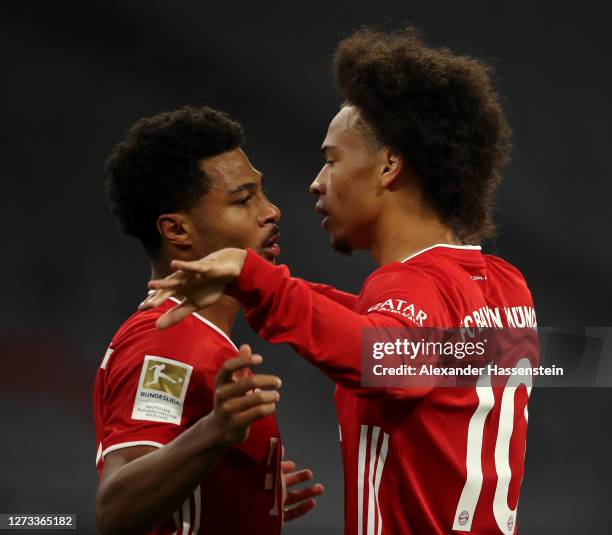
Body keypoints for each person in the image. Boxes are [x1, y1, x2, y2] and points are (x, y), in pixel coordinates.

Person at [142, 29, 538, 535]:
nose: (317, 181)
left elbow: (391, 359)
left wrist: (258, 281)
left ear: (390, 165)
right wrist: (256, 286)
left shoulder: (407, 287)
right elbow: (420, 345)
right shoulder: (505, 286)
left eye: (332, 159)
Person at [94, 106, 323, 535]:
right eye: (242, 200)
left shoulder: (200, 338)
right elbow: (115, 509)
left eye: (262, 193)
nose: (271, 211)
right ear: (177, 231)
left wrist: (241, 495)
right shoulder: (166, 339)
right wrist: (214, 434)